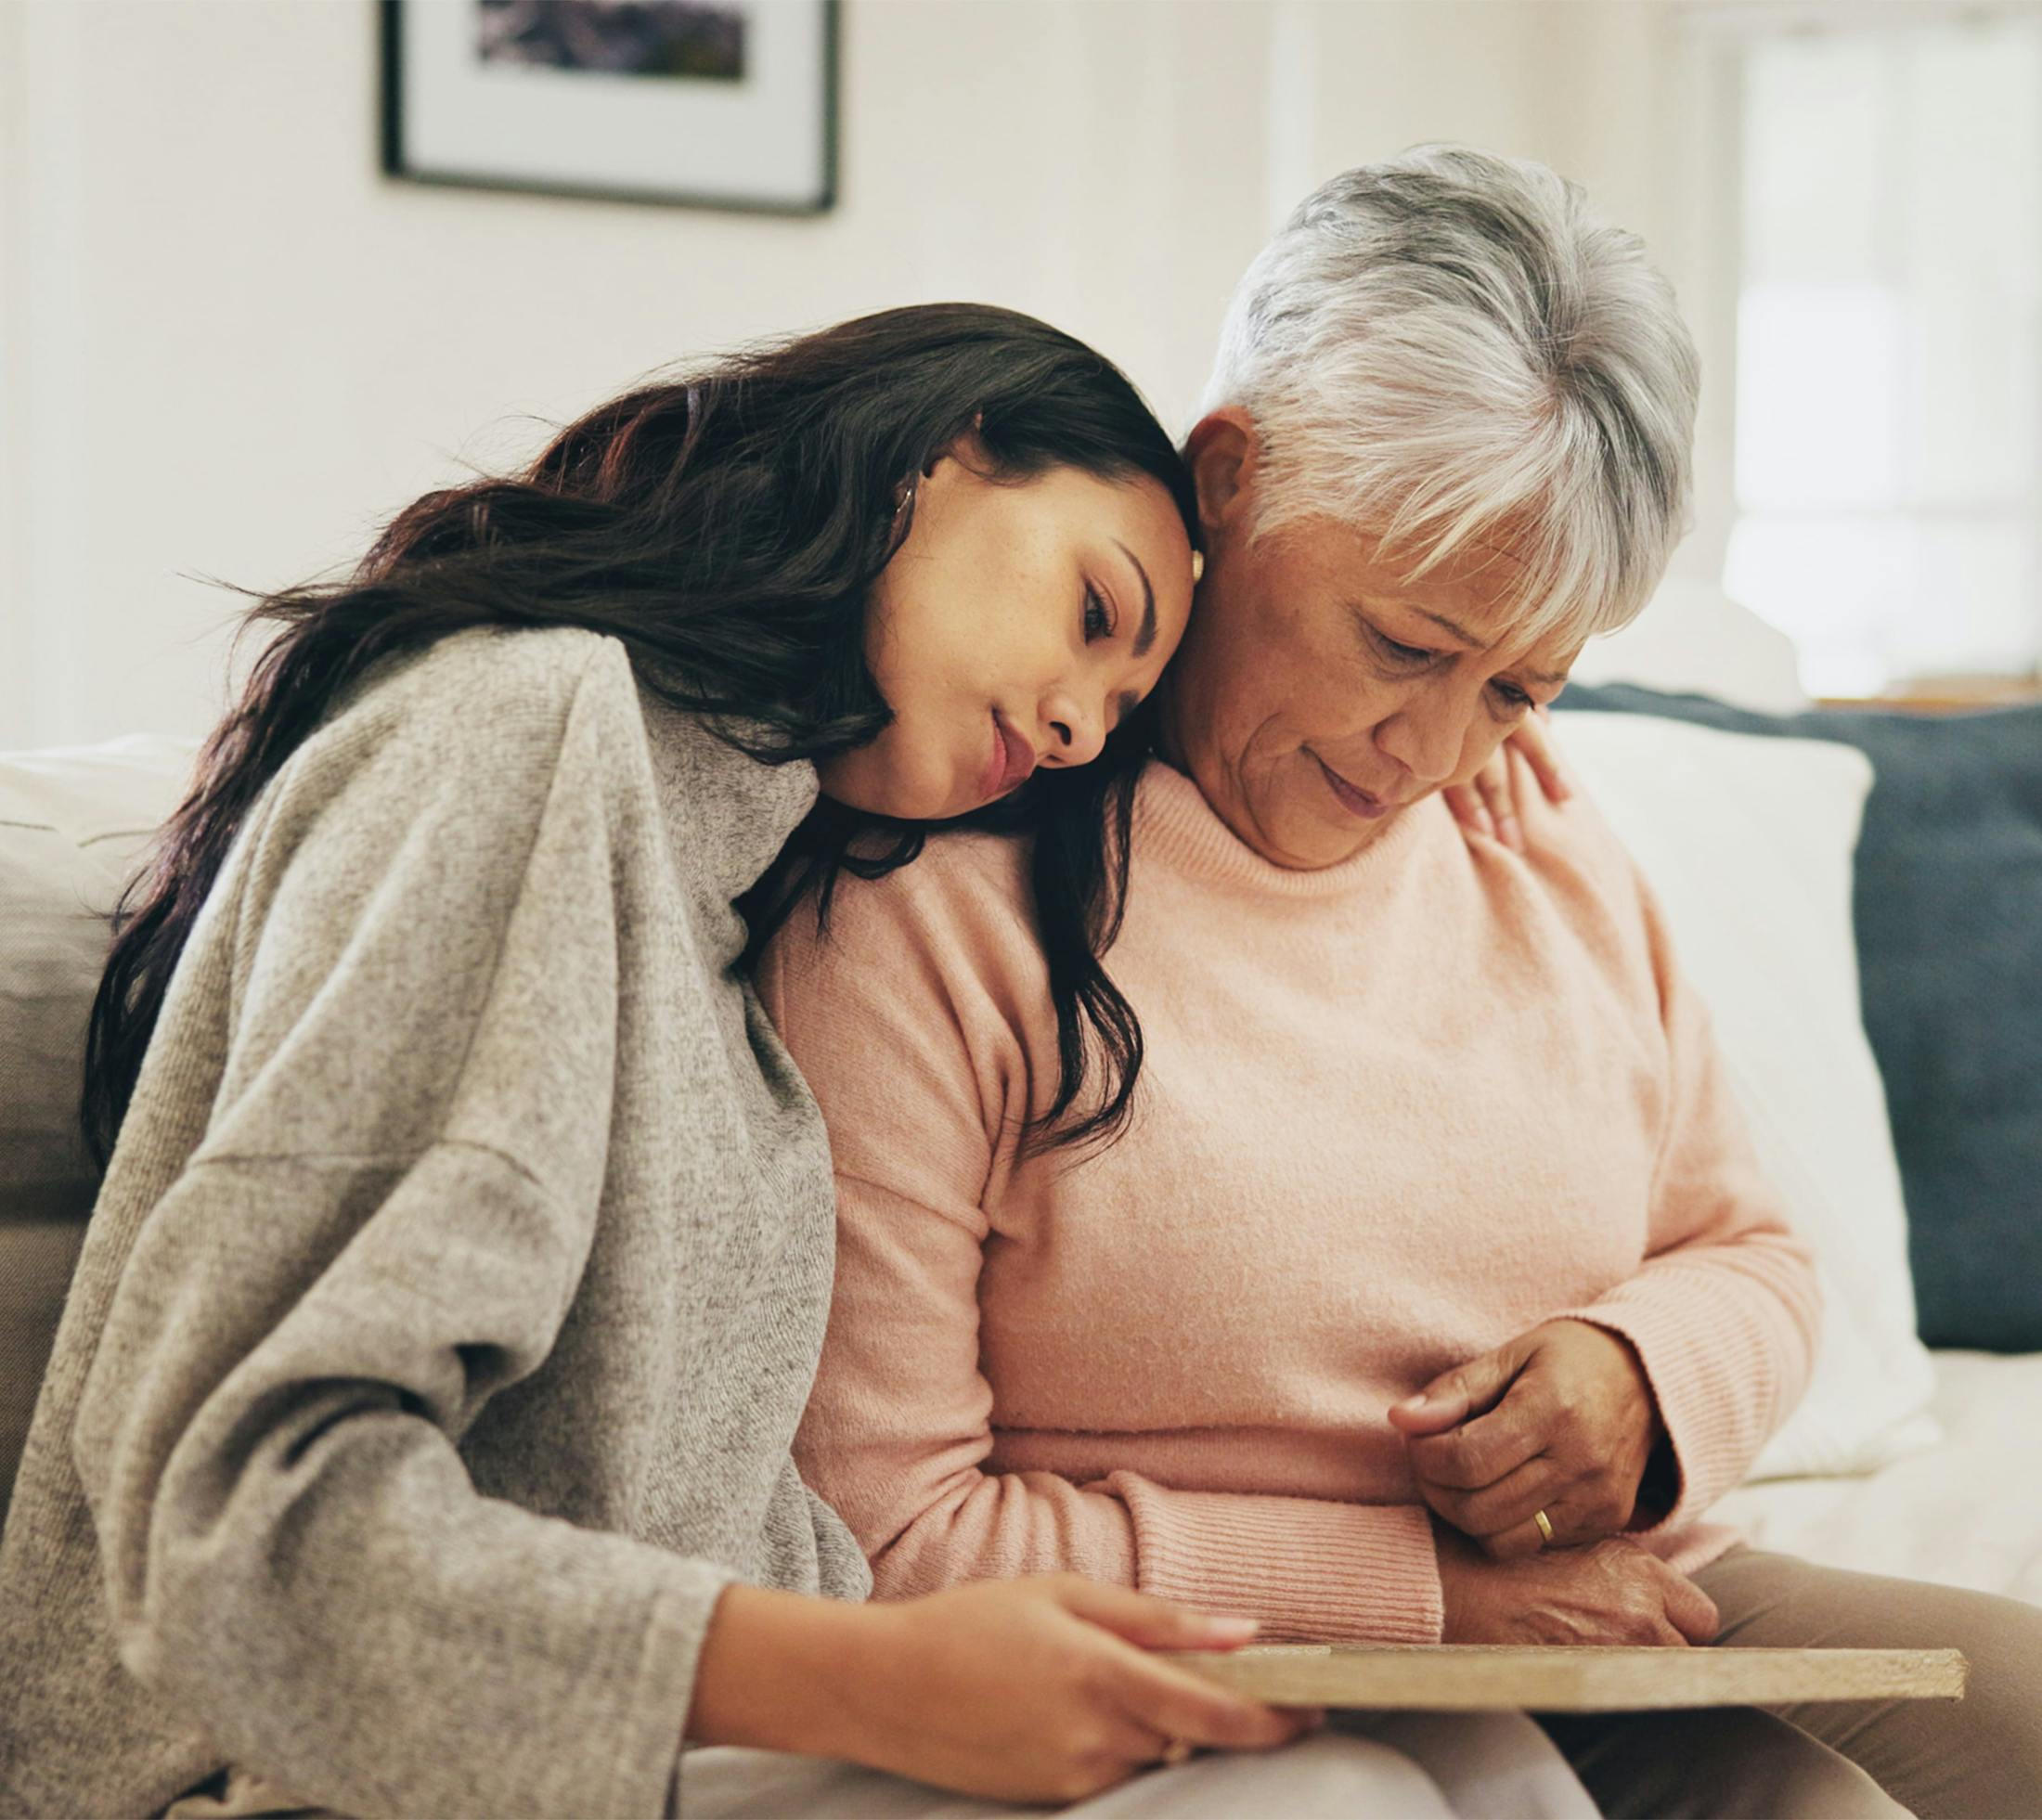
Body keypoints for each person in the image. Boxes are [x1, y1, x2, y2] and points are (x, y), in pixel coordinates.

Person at [0, 302, 1580, 1820]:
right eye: (1097, 615)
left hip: (679, 1759)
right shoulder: (530, 730)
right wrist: (873, 1680)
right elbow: (234, 1525)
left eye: (1123, 704)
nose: (1086, 729)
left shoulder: (747, 875)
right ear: (937, 458)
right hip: (313, 1783)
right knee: (1338, 1798)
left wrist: (1433, 728)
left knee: (1486, 1764)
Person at [765, 152, 2042, 1818]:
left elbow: (1750, 1250)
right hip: (1190, 1637)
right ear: (1229, 479)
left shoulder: (1538, 831)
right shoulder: (938, 892)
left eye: (1518, 687)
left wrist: (1640, 1377)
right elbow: (882, 1538)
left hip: (1594, 1603)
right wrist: (1413, 1594)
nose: (1435, 754)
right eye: (1407, 646)